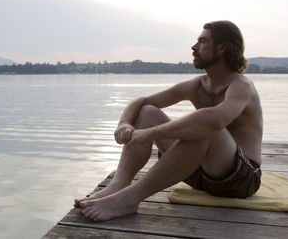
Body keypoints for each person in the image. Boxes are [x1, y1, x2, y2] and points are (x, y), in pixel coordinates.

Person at [75, 20, 263, 221]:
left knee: (205, 126)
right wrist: (124, 124)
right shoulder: (198, 85)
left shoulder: (241, 87)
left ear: (222, 48)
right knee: (147, 111)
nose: (194, 47)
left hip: (240, 179)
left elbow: (215, 121)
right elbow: (142, 101)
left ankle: (130, 199)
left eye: (202, 41)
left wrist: (151, 134)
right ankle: (118, 185)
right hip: (199, 174)